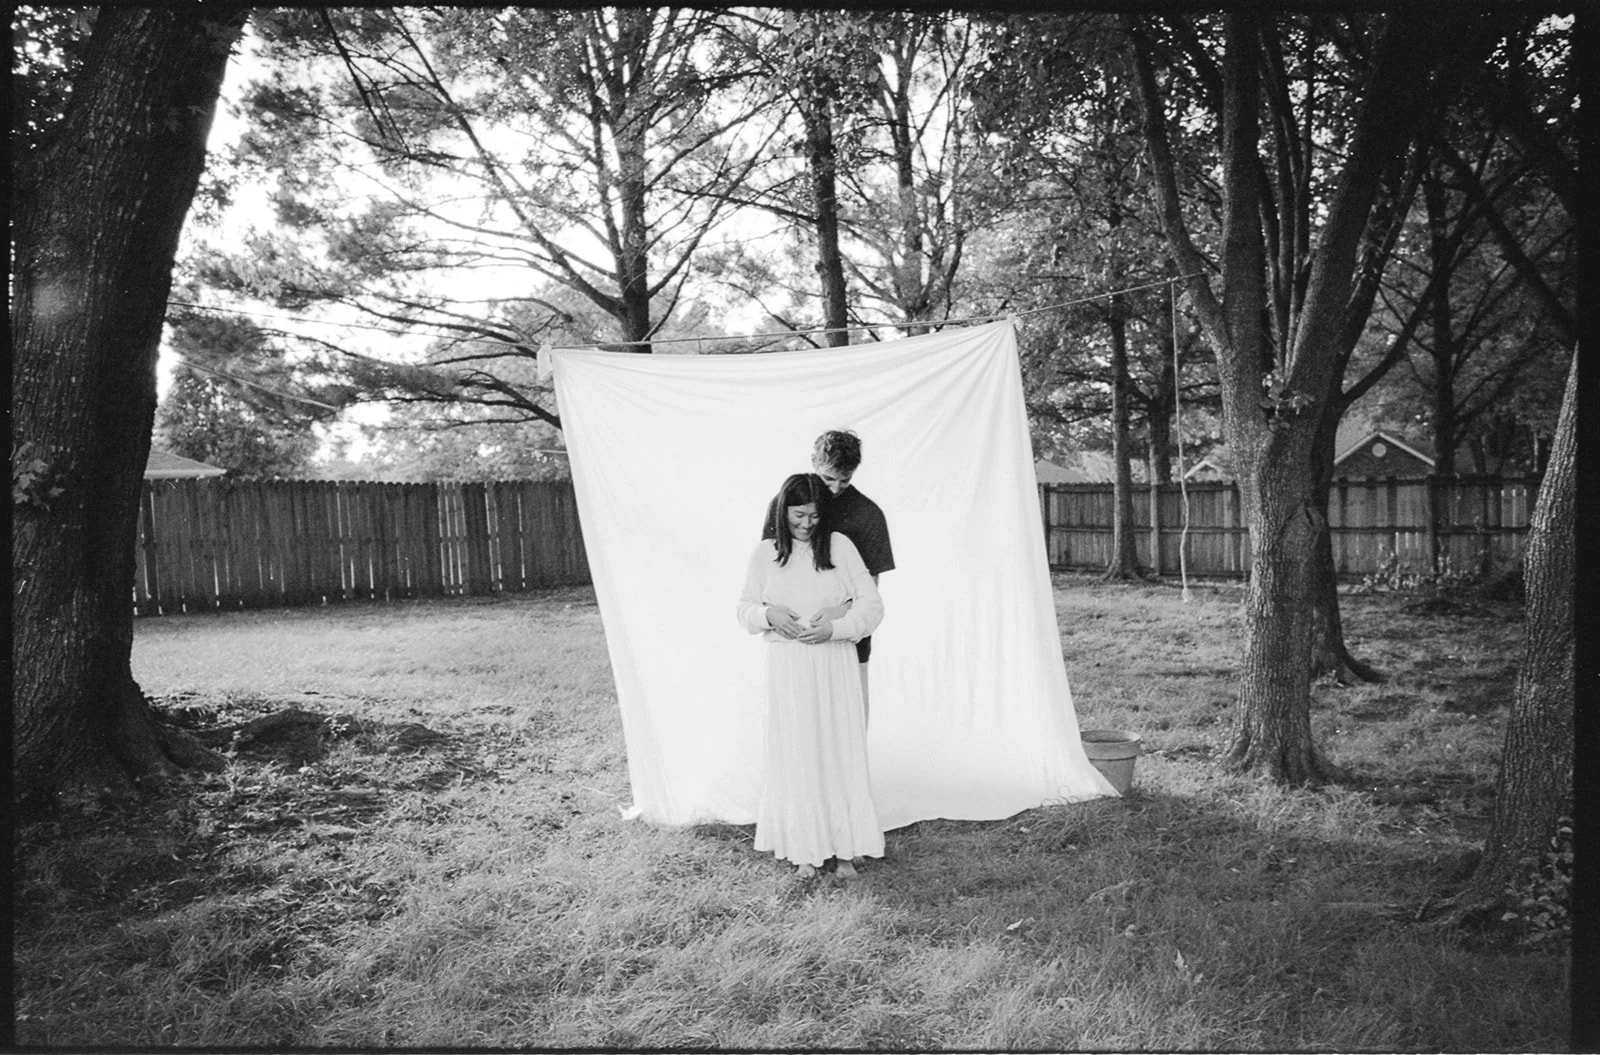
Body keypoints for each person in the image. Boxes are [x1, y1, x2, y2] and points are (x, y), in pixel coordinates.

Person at [739, 473, 884, 880]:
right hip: (788, 668)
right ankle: (805, 849)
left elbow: (872, 606)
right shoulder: (764, 554)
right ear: (782, 511)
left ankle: (845, 852)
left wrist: (835, 628)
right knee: (798, 754)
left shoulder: (840, 546)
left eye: (815, 516)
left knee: (839, 751)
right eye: (799, 515)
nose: (806, 524)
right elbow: (743, 609)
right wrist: (768, 615)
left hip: (834, 664)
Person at [762, 430, 895, 723]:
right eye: (827, 479)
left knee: (849, 719)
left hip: (850, 636)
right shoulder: (785, 504)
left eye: (844, 481)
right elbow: (770, 568)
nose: (834, 489)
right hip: (795, 635)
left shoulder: (868, 515)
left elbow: (871, 591)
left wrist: (843, 611)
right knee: (798, 719)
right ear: (813, 461)